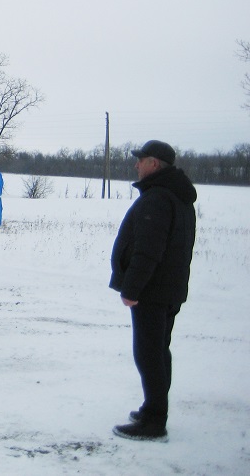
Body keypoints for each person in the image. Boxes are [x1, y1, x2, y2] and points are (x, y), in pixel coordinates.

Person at [110, 140, 197, 441]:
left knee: (149, 354)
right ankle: (153, 408)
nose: (137, 164)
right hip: (168, 289)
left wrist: (132, 288)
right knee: (159, 350)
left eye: (142, 159)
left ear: (155, 164)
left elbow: (148, 251)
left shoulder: (159, 198)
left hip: (153, 291)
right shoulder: (178, 195)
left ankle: (154, 420)